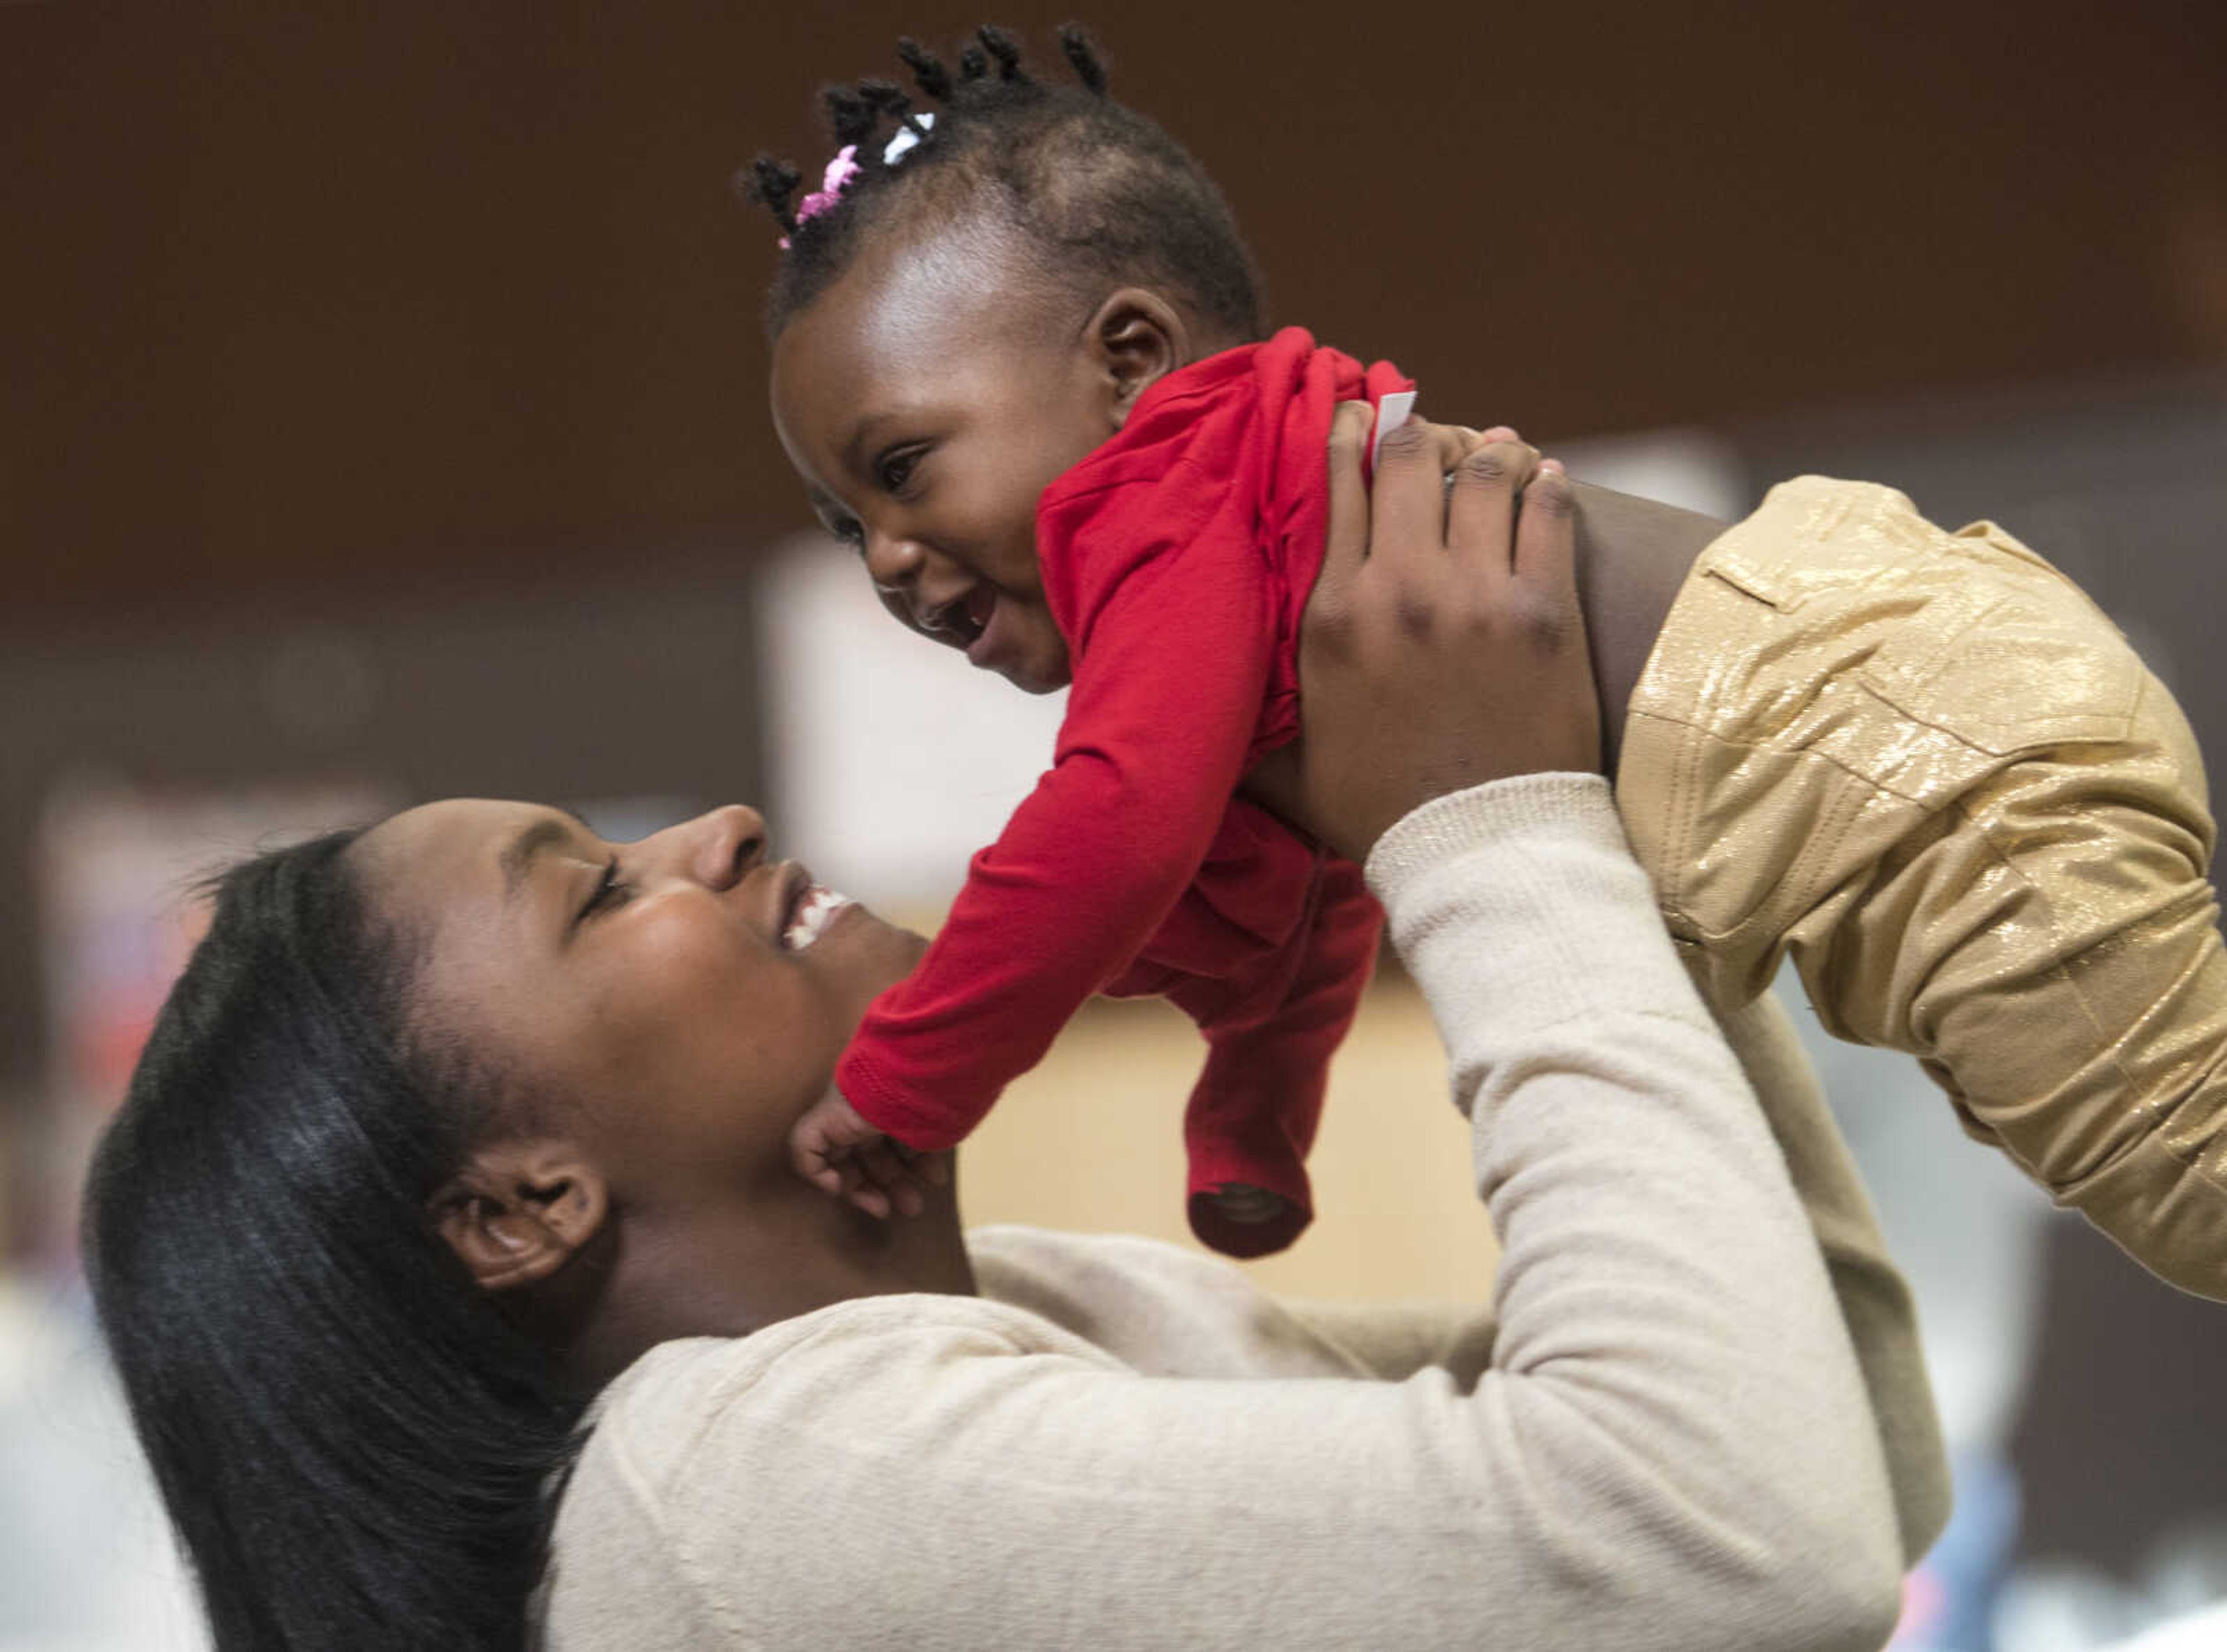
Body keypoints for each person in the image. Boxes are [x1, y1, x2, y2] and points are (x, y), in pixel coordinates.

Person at [84, 426, 1946, 1650]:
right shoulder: (730, 1476)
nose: (713, 835)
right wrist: (1486, 818)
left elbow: (1838, 1466)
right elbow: (1743, 1536)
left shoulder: (1029, 1317)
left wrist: (1622, 813)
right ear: (516, 1209)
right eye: (591, 893)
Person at [749, 24, 2227, 1298]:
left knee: (2191, 1170)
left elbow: (1111, 835)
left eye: (903, 466)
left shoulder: (1166, 491)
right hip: (1879, 698)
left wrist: (901, 1081)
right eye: (842, 518)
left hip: (1872, 743)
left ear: (1132, 362)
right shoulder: (1252, 550)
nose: (882, 552)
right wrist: (1250, 1133)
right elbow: (1288, 915)